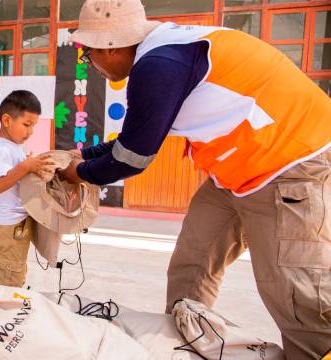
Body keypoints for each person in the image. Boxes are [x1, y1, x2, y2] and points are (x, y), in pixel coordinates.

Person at [61, 1, 331, 357]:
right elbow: (135, 137)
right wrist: (83, 157)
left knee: (299, 297)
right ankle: (187, 344)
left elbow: (133, 157)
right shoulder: (165, 52)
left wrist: (77, 172)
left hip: (288, 168)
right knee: (193, 263)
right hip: (236, 173)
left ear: (111, 46)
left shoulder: (158, 65)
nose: (90, 64)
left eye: (88, 54)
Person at [0, 90, 55, 288]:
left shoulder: (13, 146)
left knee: (15, 270)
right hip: (7, 224)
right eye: (26, 124)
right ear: (7, 120)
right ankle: (1, 312)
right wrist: (25, 167)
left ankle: (6, 307)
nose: (31, 131)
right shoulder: (2, 148)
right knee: (8, 276)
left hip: (14, 222)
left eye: (34, 125)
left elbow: (14, 176)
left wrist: (28, 166)